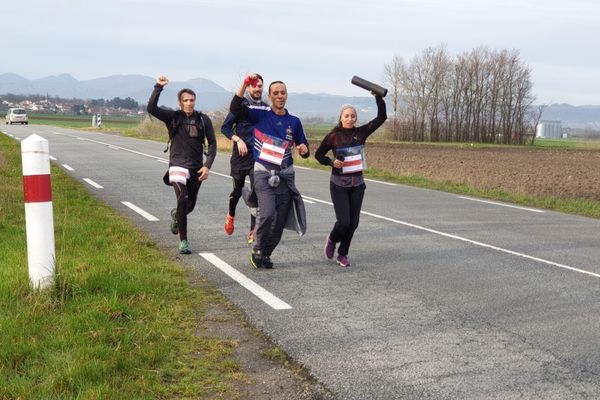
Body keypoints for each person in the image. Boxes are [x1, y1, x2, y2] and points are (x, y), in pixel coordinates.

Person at [229, 74, 310, 269]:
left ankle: (265, 254)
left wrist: (304, 150)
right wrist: (244, 85)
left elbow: (303, 146)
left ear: (287, 95)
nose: (280, 96)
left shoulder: (294, 121)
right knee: (267, 213)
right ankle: (257, 248)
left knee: (279, 221)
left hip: (285, 174)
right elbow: (235, 108)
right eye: (276, 93)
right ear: (270, 96)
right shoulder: (260, 113)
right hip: (263, 172)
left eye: (283, 93)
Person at [314, 93, 386, 267]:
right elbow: (318, 155)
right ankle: (332, 238)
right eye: (346, 116)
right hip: (339, 184)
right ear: (341, 117)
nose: (350, 118)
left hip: (358, 184)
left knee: (353, 223)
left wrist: (378, 98)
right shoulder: (334, 135)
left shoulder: (361, 132)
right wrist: (332, 162)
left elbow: (382, 117)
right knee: (344, 222)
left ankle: (343, 254)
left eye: (353, 116)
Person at [147, 75, 217, 254]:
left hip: (196, 167)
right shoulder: (172, 117)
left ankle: (177, 216)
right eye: (185, 100)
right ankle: (183, 241)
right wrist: (158, 87)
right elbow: (151, 108)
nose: (189, 103)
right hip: (177, 165)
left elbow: (213, 144)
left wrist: (207, 165)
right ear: (180, 102)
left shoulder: (203, 120)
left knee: (190, 205)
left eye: (192, 100)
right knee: (183, 199)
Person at [221, 73, 268, 245]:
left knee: (257, 193)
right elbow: (225, 128)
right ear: (248, 88)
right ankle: (231, 214)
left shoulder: (265, 108)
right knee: (237, 191)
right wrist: (238, 139)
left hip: (258, 158)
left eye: (260, 85)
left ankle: (253, 229)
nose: (257, 88)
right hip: (240, 158)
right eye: (254, 85)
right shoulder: (241, 107)